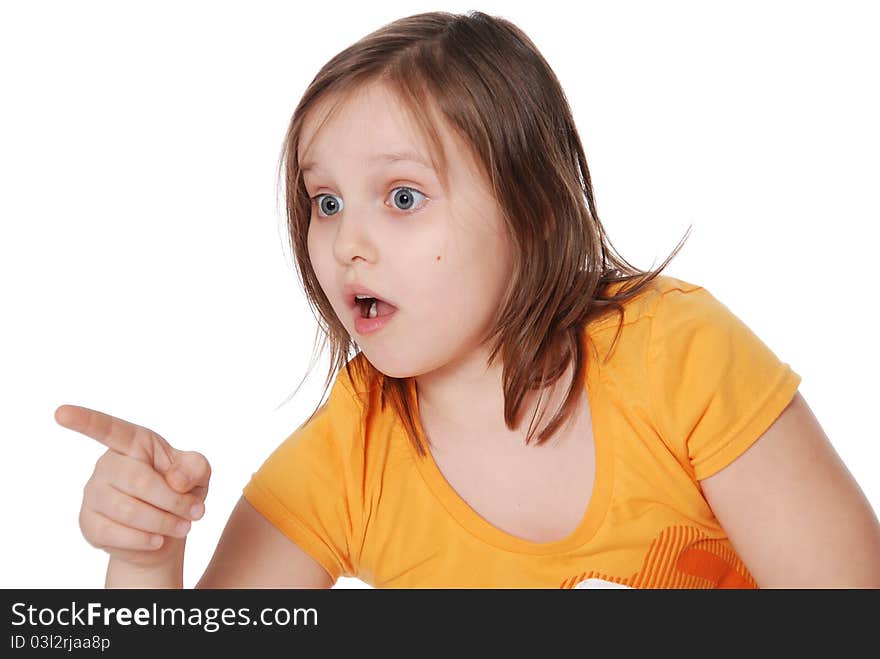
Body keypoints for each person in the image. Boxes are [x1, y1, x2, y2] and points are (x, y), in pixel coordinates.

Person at [55, 10, 880, 589]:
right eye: (326, 202)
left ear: (535, 211)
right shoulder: (348, 455)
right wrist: (145, 556)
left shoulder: (680, 353)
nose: (347, 242)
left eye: (403, 197)